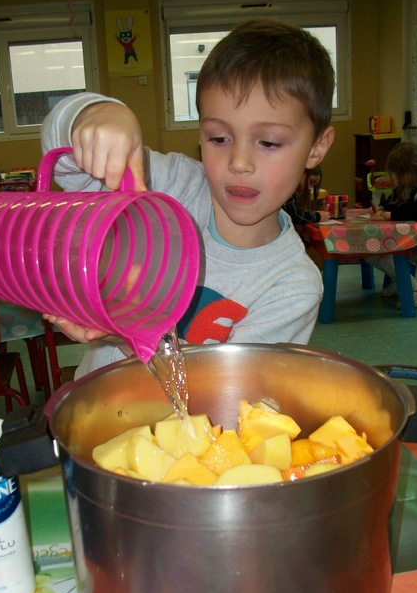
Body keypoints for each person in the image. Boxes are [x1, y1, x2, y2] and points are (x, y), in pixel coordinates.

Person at [41, 19, 335, 377]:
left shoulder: (292, 286)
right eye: (218, 138)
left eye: (269, 142)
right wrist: (95, 114)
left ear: (317, 147)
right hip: (97, 412)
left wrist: (127, 337)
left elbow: (227, 395)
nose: (239, 163)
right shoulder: (163, 184)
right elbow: (66, 166)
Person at [367, 140, 417, 308]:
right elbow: (398, 204)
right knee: (372, 252)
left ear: (410, 171)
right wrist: (384, 208)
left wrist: (388, 215)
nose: (397, 180)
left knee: (380, 253)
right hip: (406, 233)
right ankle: (400, 281)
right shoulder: (409, 182)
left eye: (399, 176)